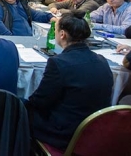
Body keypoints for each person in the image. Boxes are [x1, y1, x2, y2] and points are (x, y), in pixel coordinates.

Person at [26, 12, 113, 151]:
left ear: (62, 34)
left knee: (20, 108)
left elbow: (40, 102)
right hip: (97, 128)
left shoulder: (58, 63)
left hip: (66, 133)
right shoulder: (102, 60)